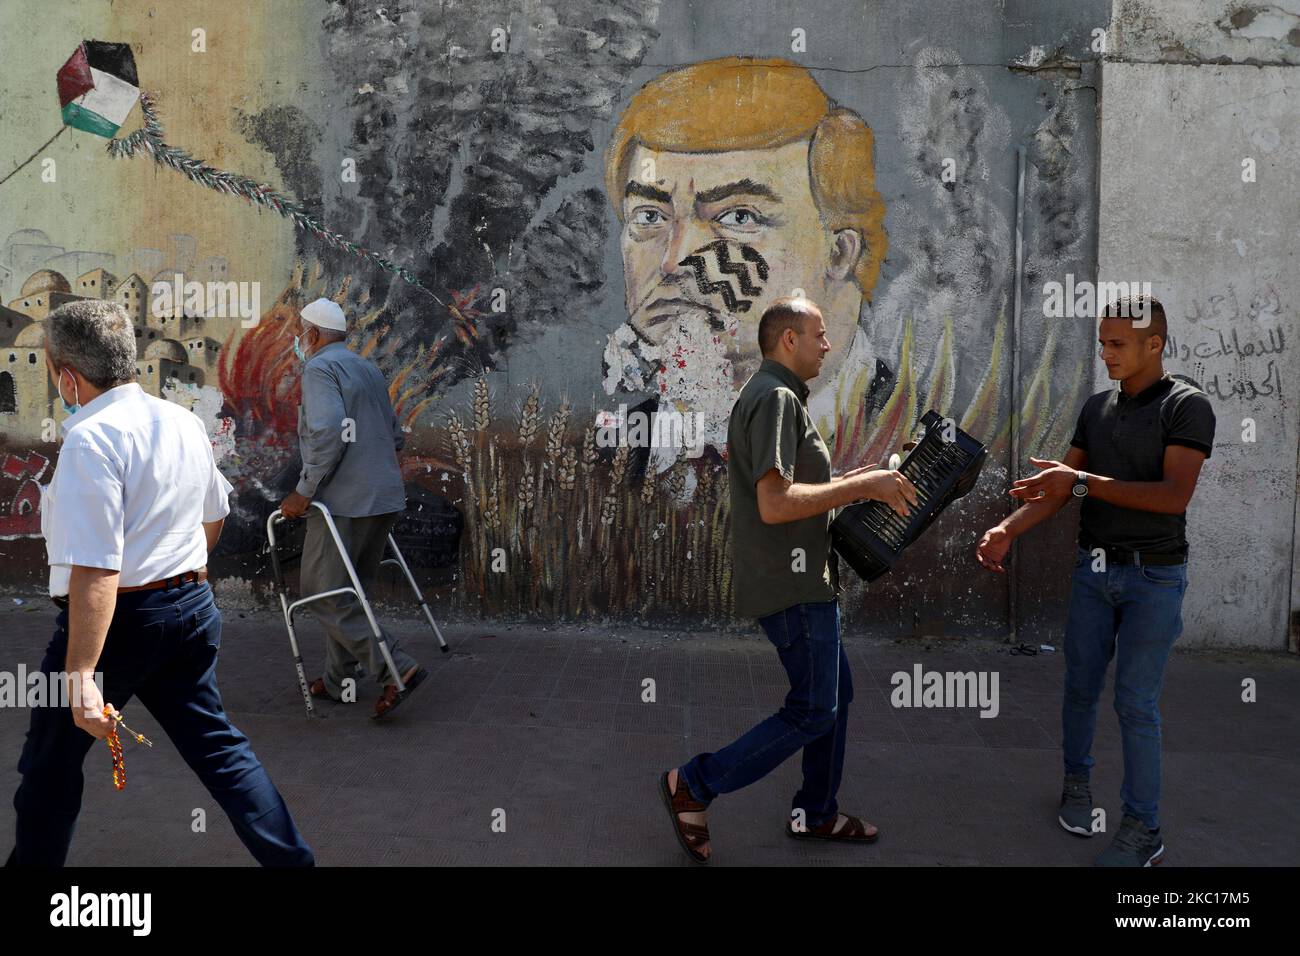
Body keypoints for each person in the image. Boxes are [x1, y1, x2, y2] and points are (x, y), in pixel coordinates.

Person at [7, 299, 313, 867]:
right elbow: (214, 514)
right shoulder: (181, 420)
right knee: (220, 749)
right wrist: (178, 570)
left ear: (68, 377)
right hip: (190, 607)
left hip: (118, 623)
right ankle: (295, 864)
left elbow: (97, 569)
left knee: (48, 765)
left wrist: (80, 677)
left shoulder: (90, 440)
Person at [659, 297, 919, 863]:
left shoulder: (776, 397)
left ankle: (816, 812)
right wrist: (861, 489)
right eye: (819, 335)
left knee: (834, 696)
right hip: (793, 586)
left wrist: (857, 478)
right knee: (813, 710)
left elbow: (794, 490)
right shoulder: (775, 398)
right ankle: (695, 784)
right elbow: (775, 505)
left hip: (798, 581)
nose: (828, 345)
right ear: (788, 341)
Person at [976, 295, 1216, 867]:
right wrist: (1006, 529)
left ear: (1153, 345)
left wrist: (1081, 481)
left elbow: (1171, 497)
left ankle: (1142, 828)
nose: (1105, 353)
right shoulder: (1097, 407)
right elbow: (1061, 487)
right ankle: (1076, 785)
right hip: (1095, 572)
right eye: (1102, 342)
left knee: (1136, 704)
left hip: (1155, 578)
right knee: (1080, 688)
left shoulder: (1187, 407)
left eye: (1117, 344)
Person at [278, 297, 426, 719]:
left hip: (344, 501)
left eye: (299, 329)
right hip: (381, 497)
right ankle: (339, 677)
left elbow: (326, 434)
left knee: (323, 594)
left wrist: (304, 491)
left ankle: (398, 669)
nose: (296, 338)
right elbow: (395, 436)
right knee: (349, 594)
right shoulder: (367, 368)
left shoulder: (319, 368)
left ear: (313, 334)